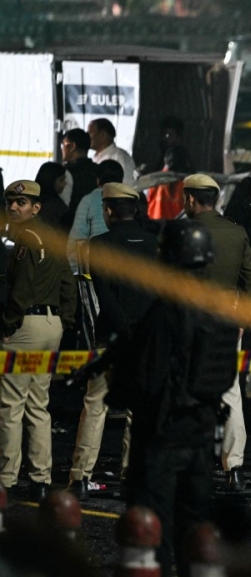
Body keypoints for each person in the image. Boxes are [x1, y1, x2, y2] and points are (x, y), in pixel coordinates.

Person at [111, 219, 238, 577]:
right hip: (201, 433)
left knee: (153, 529)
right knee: (195, 530)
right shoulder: (217, 308)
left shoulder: (165, 311)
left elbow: (147, 379)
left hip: (162, 436)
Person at [67, 182, 158, 501]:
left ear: (107, 211)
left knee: (95, 405)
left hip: (111, 338)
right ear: (133, 209)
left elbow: (102, 293)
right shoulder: (153, 243)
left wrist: (122, 328)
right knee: (139, 409)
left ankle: (81, 476)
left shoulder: (100, 245)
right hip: (145, 338)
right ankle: (132, 474)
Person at [182, 174, 251, 492]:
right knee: (230, 394)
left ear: (190, 199)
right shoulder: (236, 232)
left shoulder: (185, 232)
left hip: (190, 319)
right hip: (228, 320)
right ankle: (235, 468)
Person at [1, 180, 77, 502]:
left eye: (22, 202)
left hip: (26, 325)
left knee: (11, 405)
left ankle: (6, 479)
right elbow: (68, 285)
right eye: (11, 202)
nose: (15, 207)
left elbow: (21, 290)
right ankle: (41, 478)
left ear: (36, 207)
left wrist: (6, 325)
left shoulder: (25, 238)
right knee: (38, 404)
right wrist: (65, 321)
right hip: (51, 324)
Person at [66, 160, 124, 274]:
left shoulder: (88, 200)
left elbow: (76, 239)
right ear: (121, 181)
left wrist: (75, 272)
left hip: (96, 268)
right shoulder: (128, 201)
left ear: (97, 180)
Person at [146, 116, 195, 220]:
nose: (165, 138)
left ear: (179, 138)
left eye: (169, 135)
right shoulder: (161, 159)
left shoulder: (181, 160)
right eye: (163, 135)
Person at [60, 128, 99, 215]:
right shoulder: (98, 169)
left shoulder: (65, 173)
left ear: (72, 146)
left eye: (63, 145)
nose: (62, 149)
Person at [88, 118, 136, 187]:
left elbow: (126, 186)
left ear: (102, 135)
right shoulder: (95, 157)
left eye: (90, 133)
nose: (87, 137)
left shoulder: (120, 157)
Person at [33, 162, 69, 231]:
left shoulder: (30, 201)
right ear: (50, 181)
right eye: (61, 180)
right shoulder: (55, 206)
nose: (65, 183)